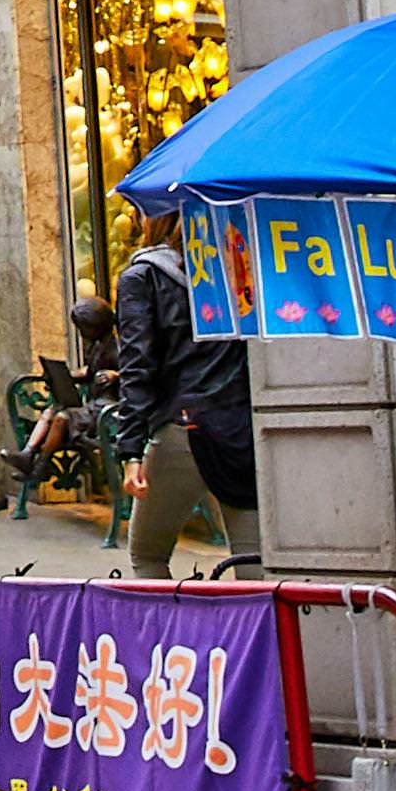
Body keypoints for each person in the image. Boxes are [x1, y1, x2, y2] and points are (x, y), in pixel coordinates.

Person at [111, 204, 264, 580]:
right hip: (242, 429)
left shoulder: (142, 276)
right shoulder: (238, 267)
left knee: (147, 553)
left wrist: (130, 450)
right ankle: (257, 639)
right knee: (255, 563)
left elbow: (137, 366)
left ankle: (167, 637)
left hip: (182, 429)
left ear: (154, 217)